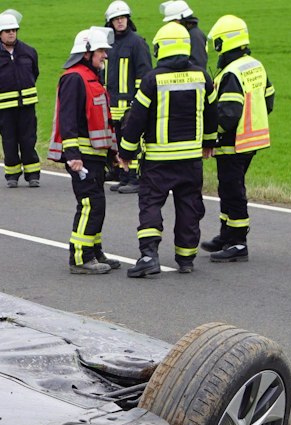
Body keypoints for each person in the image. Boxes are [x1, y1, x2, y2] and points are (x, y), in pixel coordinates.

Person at [115, 21, 210, 277]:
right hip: (191, 159)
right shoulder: (202, 76)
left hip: (158, 160)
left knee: (151, 204)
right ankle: (186, 258)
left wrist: (126, 153)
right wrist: (209, 143)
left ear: (161, 48)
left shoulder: (152, 80)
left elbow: (136, 120)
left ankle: (149, 256)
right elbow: (211, 113)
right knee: (189, 206)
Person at [201, 14, 272, 261]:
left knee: (232, 191)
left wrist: (210, 136)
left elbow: (228, 114)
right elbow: (269, 99)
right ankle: (226, 235)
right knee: (228, 187)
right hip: (253, 139)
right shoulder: (255, 65)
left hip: (233, 143)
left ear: (225, 42)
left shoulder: (231, 72)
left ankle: (238, 242)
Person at [51, 26, 118, 273]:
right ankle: (80, 259)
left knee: (96, 205)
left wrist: (113, 153)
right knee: (91, 205)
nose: (105, 56)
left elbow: (102, 121)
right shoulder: (74, 78)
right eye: (101, 50)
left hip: (96, 156)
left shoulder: (91, 78)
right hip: (83, 156)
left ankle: (95, 252)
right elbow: (67, 120)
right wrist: (73, 156)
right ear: (86, 52)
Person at [0, 10, 44, 187]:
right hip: (4, 108)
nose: (11, 33)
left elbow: (34, 73)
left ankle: (33, 175)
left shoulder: (29, 51)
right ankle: (12, 176)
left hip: (27, 105)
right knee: (9, 140)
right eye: (7, 31)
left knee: (28, 139)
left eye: (14, 30)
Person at [104, 1, 153, 193]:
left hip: (130, 104)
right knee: (117, 141)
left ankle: (135, 179)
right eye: (116, 19)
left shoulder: (137, 42)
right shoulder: (108, 44)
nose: (120, 22)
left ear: (128, 19)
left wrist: (138, 102)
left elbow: (145, 74)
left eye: (123, 18)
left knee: (131, 141)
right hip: (112, 104)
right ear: (110, 22)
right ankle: (123, 177)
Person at [161, 0, 208, 78]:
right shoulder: (186, 34)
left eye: (172, 21)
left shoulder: (195, 36)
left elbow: (198, 65)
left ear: (181, 20)